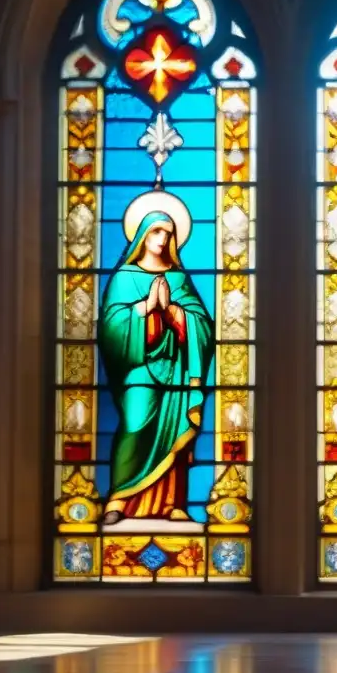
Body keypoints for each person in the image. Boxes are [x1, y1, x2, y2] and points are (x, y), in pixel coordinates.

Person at [99, 192, 214, 529]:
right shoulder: (124, 278)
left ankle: (172, 504)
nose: (162, 239)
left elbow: (202, 325)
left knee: (177, 429)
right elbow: (110, 329)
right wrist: (145, 308)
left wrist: (174, 311)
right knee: (135, 426)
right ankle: (119, 498)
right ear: (142, 236)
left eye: (168, 233)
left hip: (177, 369)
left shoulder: (178, 279)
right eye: (156, 232)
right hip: (140, 370)